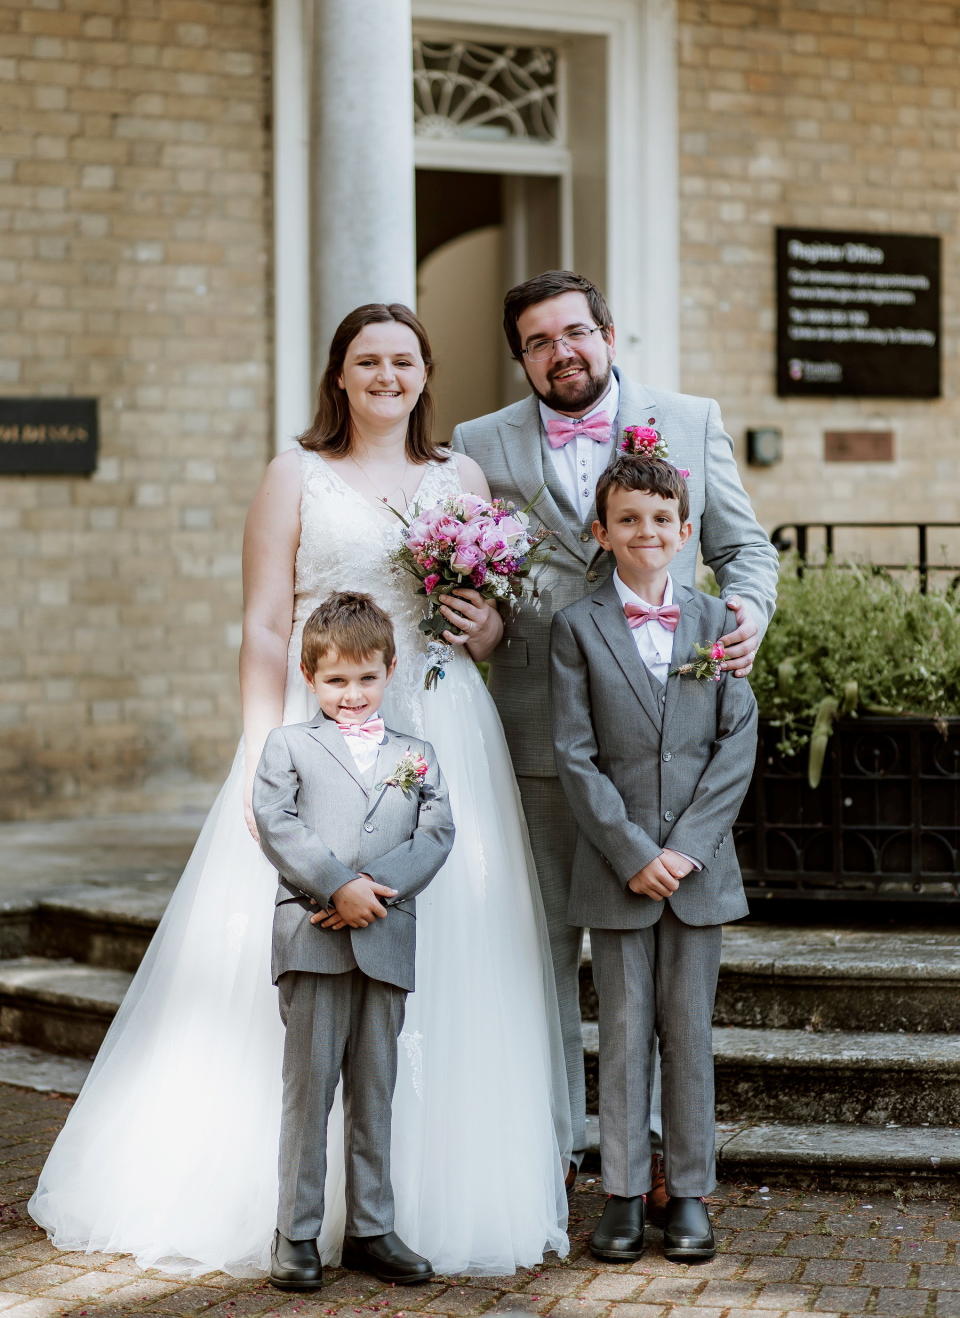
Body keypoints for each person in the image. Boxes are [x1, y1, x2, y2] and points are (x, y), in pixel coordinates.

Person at [30, 304, 570, 1278]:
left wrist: (476, 624)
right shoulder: (295, 474)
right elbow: (266, 627)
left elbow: (486, 627)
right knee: (304, 962)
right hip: (317, 737)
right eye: (367, 360)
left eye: (403, 359)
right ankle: (289, 1213)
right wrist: (258, 748)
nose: (386, 375)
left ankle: (410, 1200)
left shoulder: (461, 476)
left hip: (438, 722)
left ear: (425, 371)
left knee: (442, 954)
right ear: (339, 374)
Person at [452, 269, 778, 1197]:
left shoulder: (690, 417)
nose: (562, 354)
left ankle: (669, 1170)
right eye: (539, 343)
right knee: (548, 951)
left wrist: (747, 613)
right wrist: (477, 626)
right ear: (522, 356)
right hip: (537, 734)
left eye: (574, 334)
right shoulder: (479, 444)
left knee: (665, 974)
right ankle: (561, 1153)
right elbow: (469, 571)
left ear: (607, 332)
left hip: (668, 731)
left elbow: (743, 548)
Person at [550, 455, 758, 1263]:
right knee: (626, 1032)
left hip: (699, 872)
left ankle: (693, 1193)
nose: (647, 532)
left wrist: (684, 849)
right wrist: (636, 852)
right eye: (628, 520)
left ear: (686, 532)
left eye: (661, 520)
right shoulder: (577, 626)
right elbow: (575, 754)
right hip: (616, 867)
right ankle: (626, 1194)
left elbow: (735, 743)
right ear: (601, 533)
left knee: (689, 1034)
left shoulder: (718, 624)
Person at [254, 593, 455, 1291]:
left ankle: (371, 1227)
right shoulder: (287, 745)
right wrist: (337, 887)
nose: (352, 694)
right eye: (336, 680)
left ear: (390, 671)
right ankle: (296, 1232)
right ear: (310, 677)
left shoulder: (416, 754)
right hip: (312, 936)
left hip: (386, 937)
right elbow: (278, 824)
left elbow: (436, 834)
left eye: (366, 678)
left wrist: (370, 892)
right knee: (308, 1091)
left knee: (376, 1090)